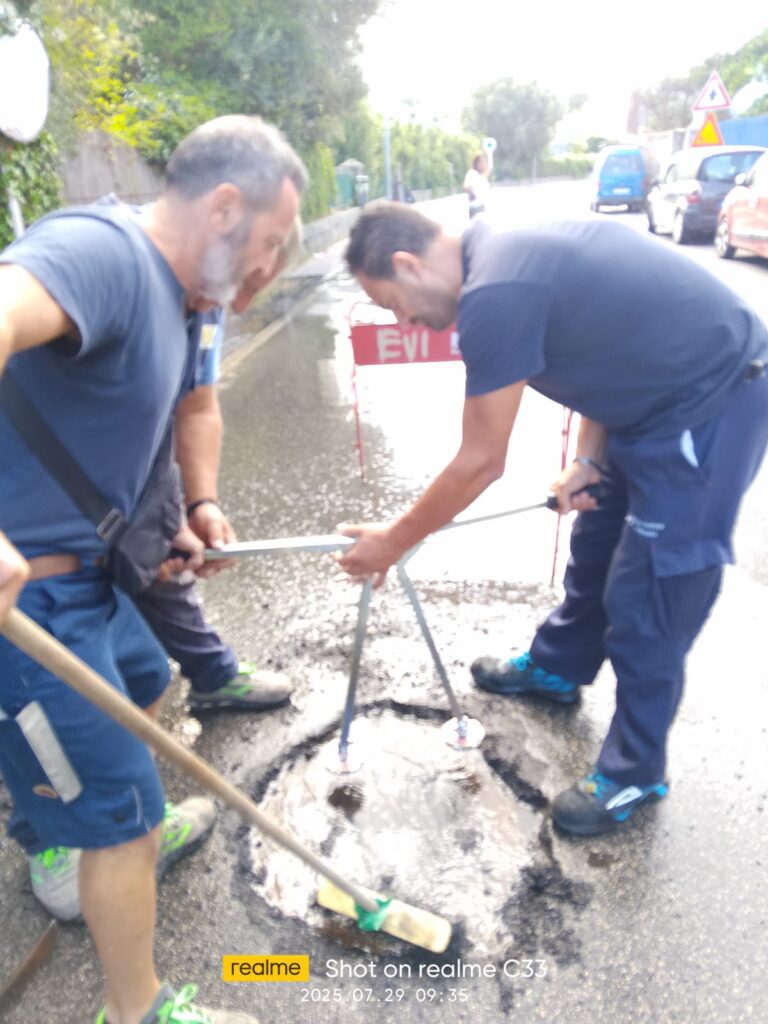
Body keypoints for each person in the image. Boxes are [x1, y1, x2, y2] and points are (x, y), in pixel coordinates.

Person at [0, 115, 306, 1024]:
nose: (270, 266)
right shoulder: (100, 253)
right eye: (270, 242)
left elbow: (189, 410)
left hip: (97, 583)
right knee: (124, 814)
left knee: (146, 678)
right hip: (31, 613)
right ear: (223, 208)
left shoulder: (187, 302)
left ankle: (77, 828)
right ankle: (134, 1007)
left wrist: (195, 507)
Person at [337, 201, 768, 838]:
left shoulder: (497, 290)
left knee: (650, 588)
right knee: (594, 540)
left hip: (709, 400)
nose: (405, 321)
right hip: (650, 401)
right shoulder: (500, 252)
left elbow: (482, 461)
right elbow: (610, 354)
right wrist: (586, 461)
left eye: (394, 304)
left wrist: (393, 542)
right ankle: (560, 667)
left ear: (407, 263)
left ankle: (634, 772)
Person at [136, 218, 305, 714]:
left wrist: (197, 503)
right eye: (245, 283)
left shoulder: (205, 304)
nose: (242, 305)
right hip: (51, 520)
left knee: (140, 665)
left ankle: (212, 675)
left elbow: (197, 405)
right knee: (114, 670)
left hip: (132, 486)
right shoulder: (119, 274)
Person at [463, 152, 491, 218]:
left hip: (482, 206)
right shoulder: (472, 173)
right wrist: (470, 188)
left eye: (484, 162)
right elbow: (466, 186)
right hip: (475, 207)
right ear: (476, 163)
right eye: (480, 162)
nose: (482, 164)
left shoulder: (482, 176)